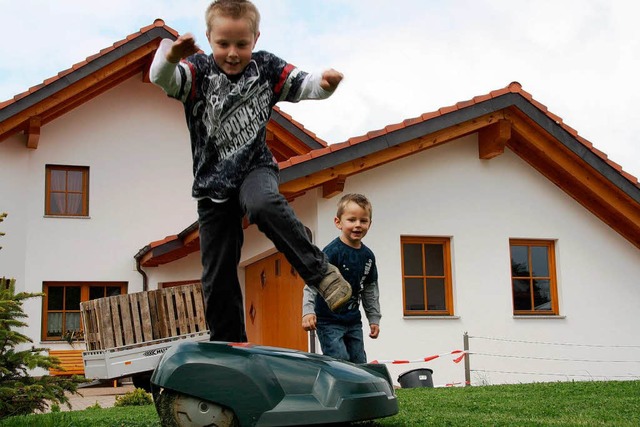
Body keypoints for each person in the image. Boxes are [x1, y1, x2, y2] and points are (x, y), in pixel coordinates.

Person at [149, 0, 351, 343]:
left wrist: (326, 83)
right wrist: (170, 56)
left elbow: (303, 84)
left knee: (263, 203)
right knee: (217, 275)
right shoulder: (197, 71)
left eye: (241, 44)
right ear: (209, 38)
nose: (232, 53)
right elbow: (162, 79)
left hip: (254, 168)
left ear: (255, 38)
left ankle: (321, 274)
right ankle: (230, 346)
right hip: (211, 185)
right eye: (223, 44)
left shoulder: (266, 67)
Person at [302, 193, 381, 363]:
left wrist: (374, 318)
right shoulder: (332, 252)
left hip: (353, 321)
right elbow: (312, 283)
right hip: (329, 321)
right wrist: (308, 311)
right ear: (338, 222)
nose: (358, 225)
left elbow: (370, 288)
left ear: (370, 224)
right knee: (339, 361)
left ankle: (359, 390)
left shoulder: (368, 256)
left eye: (363, 220)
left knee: (359, 362)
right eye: (351, 220)